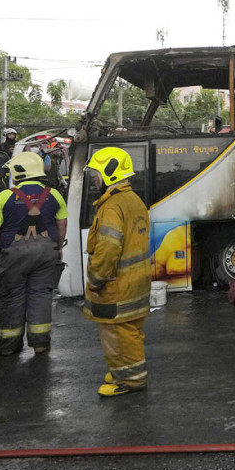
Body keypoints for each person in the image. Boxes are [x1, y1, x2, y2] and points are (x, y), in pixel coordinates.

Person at [0, 151, 67, 356]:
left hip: (13, 255)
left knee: (12, 297)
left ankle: (10, 345)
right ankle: (40, 344)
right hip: (47, 253)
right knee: (41, 296)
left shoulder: (5, 196)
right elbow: (61, 224)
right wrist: (59, 247)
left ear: (18, 172)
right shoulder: (54, 194)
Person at [83, 147, 151, 397]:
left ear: (109, 174)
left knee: (117, 333)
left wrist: (96, 278)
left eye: (96, 173)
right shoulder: (133, 200)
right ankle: (122, 369)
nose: (94, 179)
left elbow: (108, 249)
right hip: (136, 282)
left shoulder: (111, 206)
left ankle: (130, 381)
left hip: (116, 284)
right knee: (131, 330)